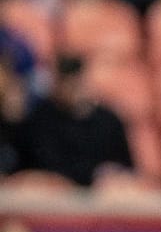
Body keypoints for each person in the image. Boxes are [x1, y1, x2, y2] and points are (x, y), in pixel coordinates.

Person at [16, 55, 134, 187]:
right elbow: (38, 165)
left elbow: (125, 167)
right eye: (67, 83)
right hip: (51, 197)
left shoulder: (109, 121)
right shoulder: (40, 119)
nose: (73, 89)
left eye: (77, 82)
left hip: (100, 196)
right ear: (57, 84)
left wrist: (110, 174)